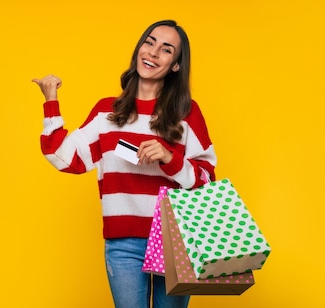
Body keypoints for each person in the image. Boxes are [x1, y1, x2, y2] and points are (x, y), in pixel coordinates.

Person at [31, 20, 217, 308]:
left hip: (176, 240)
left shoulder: (187, 112)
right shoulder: (108, 111)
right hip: (123, 244)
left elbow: (207, 178)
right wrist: (51, 101)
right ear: (139, 48)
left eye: (166, 50)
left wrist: (169, 158)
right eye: (149, 42)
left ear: (176, 65)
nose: (154, 53)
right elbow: (63, 157)